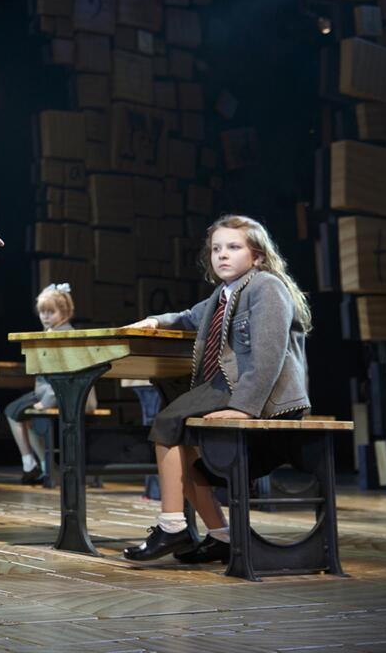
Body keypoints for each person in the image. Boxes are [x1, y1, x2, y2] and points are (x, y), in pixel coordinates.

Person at [121, 215, 311, 565]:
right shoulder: (221, 295)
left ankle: (173, 526)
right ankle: (223, 536)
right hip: (230, 388)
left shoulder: (265, 287)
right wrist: (155, 321)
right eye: (216, 249)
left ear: (256, 256)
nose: (222, 255)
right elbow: (187, 317)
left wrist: (245, 406)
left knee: (167, 422)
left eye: (234, 247)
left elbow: (268, 356)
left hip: (265, 397)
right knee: (182, 444)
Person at [2, 284, 96, 485]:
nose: (45, 317)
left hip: (63, 393)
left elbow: (67, 375)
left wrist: (46, 402)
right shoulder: (51, 333)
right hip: (49, 390)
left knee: (16, 412)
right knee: (15, 412)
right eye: (42, 312)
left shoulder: (65, 336)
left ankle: (36, 464)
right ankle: (38, 464)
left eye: (50, 312)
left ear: (65, 312)